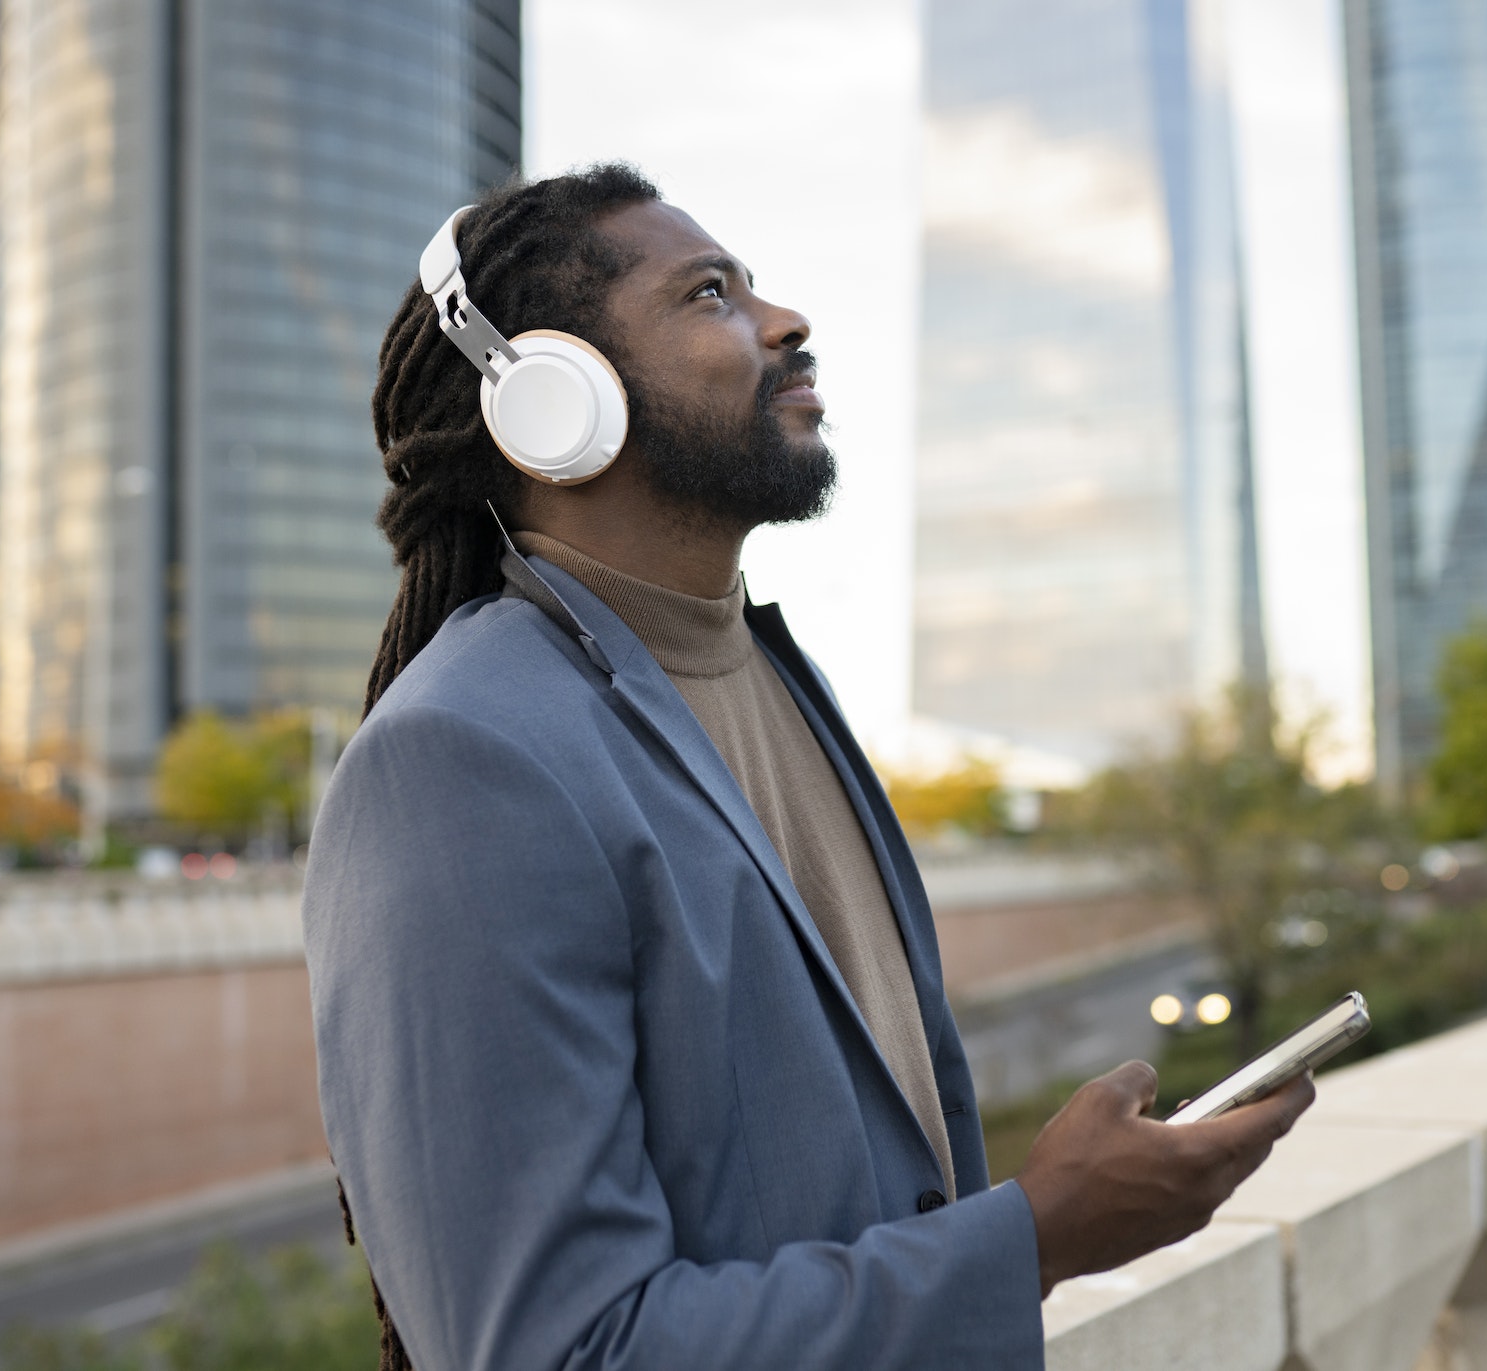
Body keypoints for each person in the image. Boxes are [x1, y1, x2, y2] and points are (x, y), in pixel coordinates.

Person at [303, 164, 1313, 1371]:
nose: (783, 322)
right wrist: (1032, 1240)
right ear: (551, 399)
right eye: (709, 295)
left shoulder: (780, 680)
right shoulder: (459, 760)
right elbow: (560, 1349)